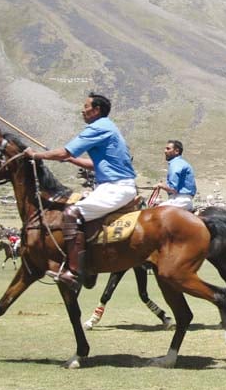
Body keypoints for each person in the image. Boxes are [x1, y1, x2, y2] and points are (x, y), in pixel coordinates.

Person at [25, 92, 137, 288]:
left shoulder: (98, 127)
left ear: (96, 110)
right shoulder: (109, 128)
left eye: (86, 107)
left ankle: (75, 271)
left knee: (71, 213)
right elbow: (96, 164)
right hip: (118, 185)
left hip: (115, 187)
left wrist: (36, 155)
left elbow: (63, 151)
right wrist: (71, 159)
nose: (82, 111)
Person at [156, 139, 196, 212]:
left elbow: (173, 189)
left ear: (176, 151)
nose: (165, 151)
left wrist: (161, 185)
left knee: (155, 212)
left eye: (168, 149)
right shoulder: (181, 163)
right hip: (184, 200)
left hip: (179, 199)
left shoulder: (176, 163)